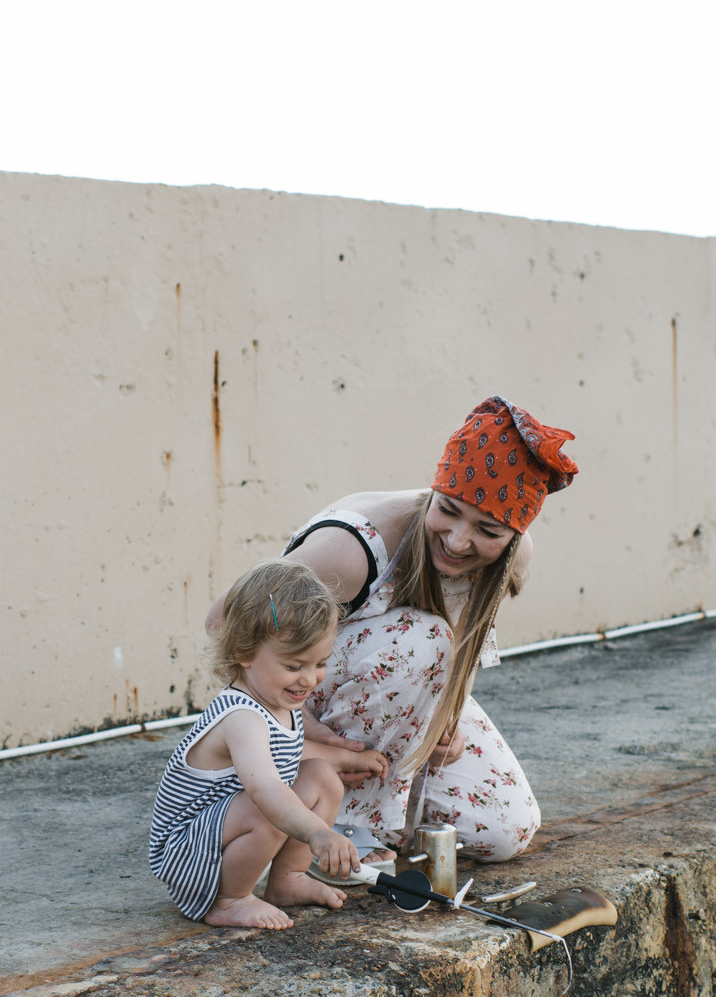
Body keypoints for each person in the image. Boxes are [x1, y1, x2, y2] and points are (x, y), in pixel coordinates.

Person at [213, 396, 578, 863]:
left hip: (398, 697)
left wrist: (445, 724)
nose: (459, 540)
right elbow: (224, 624)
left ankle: (390, 804)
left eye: (488, 531)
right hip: (299, 703)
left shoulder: (510, 559)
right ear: (435, 490)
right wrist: (295, 725)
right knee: (423, 640)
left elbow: (460, 647)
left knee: (505, 831)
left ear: (513, 536)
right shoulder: (352, 550)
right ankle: (340, 826)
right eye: (448, 509)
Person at [148, 560, 380, 929]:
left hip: (219, 840)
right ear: (244, 652)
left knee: (320, 778)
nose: (309, 679)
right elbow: (265, 785)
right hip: (187, 855)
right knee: (268, 807)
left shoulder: (274, 702)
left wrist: (343, 759)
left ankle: (287, 880)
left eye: (320, 663)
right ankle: (229, 900)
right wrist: (318, 832)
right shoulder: (242, 716)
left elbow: (290, 752)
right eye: (293, 666)